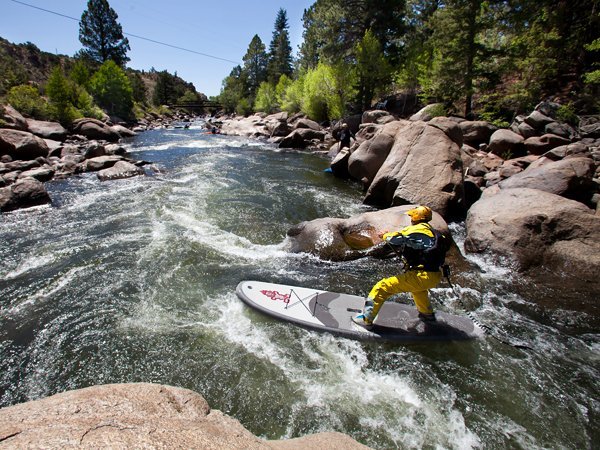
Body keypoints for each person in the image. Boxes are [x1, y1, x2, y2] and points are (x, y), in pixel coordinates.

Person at [352, 205, 447, 329]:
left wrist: (385, 235)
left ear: (415, 218)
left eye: (412, 216)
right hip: (434, 275)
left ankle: (366, 319)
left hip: (422, 276)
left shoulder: (417, 230)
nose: (411, 218)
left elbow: (395, 239)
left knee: (382, 287)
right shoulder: (435, 233)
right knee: (418, 290)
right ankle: (427, 316)